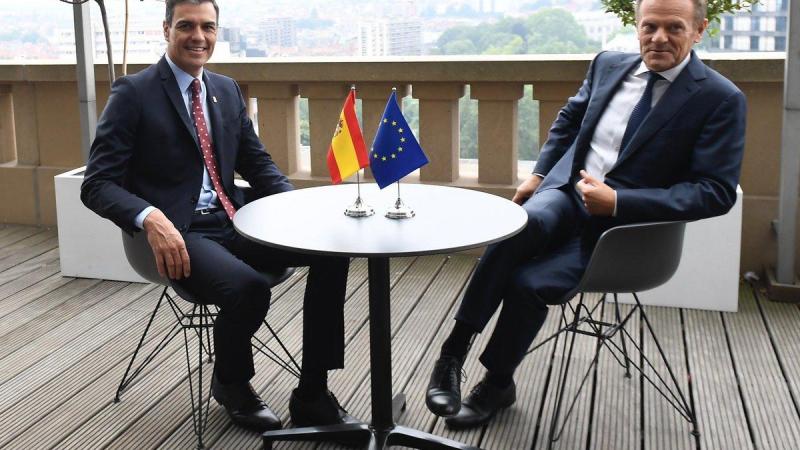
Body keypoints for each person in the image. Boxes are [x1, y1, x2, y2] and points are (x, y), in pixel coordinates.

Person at [425, 0, 746, 429]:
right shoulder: (608, 65)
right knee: (517, 229)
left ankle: (498, 383)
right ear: (637, 25)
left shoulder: (720, 99)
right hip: (565, 193)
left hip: (623, 232)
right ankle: (453, 354)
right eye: (650, 26)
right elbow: (570, 119)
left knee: (528, 283)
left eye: (674, 27)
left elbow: (715, 192)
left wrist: (620, 202)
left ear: (700, 30)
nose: (659, 38)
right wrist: (539, 174)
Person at [81, 0, 354, 434]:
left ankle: (313, 395)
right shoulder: (133, 93)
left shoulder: (225, 90)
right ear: (167, 28)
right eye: (186, 26)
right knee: (247, 288)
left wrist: (300, 211)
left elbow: (259, 166)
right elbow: (97, 184)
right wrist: (149, 218)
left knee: (332, 252)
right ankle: (232, 384)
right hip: (177, 233)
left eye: (208, 27)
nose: (198, 37)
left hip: (234, 221)